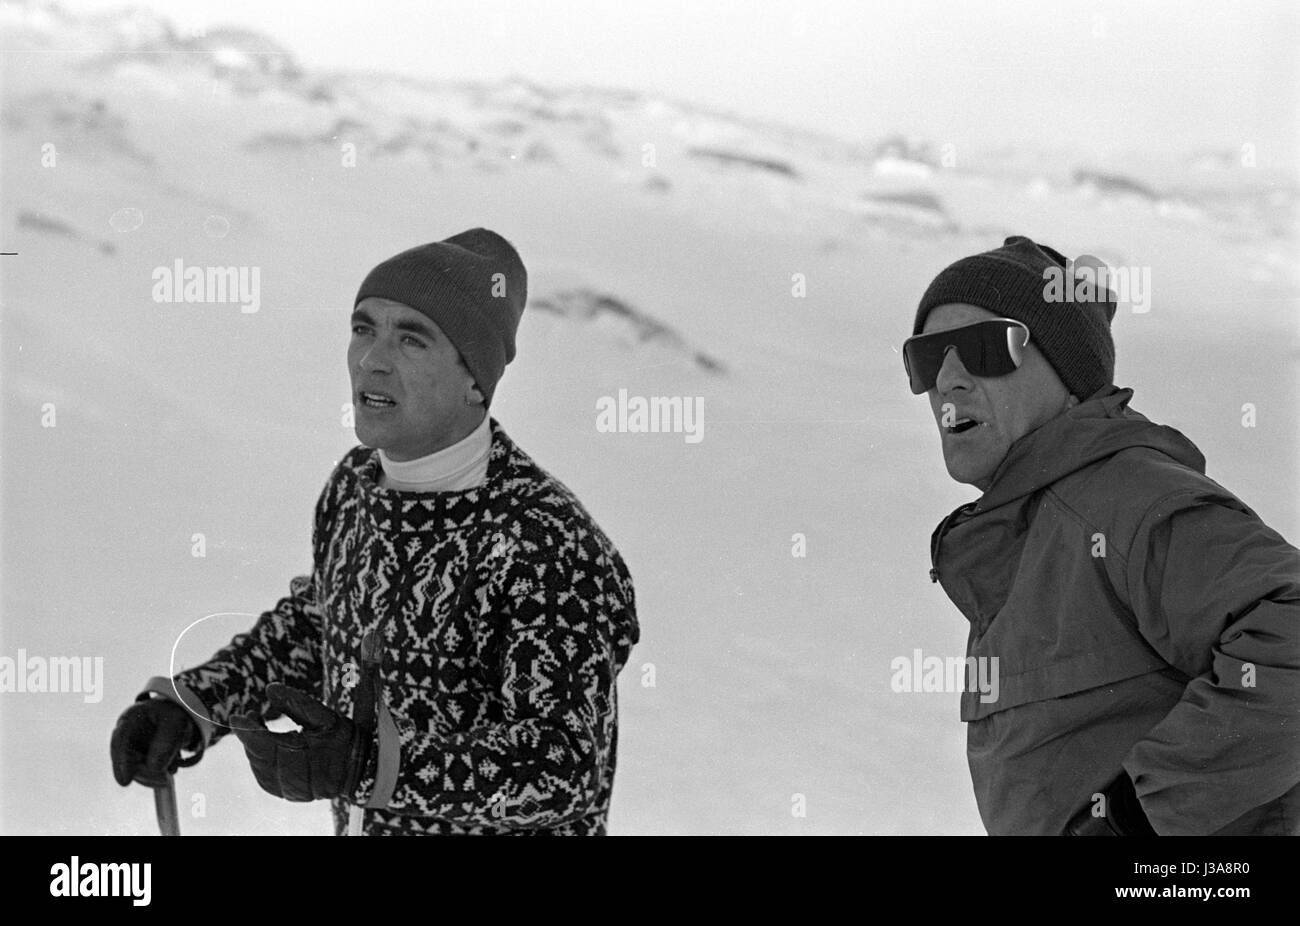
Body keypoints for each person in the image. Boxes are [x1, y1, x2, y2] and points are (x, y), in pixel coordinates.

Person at [111, 228, 639, 835]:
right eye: (364, 329)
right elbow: (319, 630)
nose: (371, 359)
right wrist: (196, 706)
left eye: (411, 339)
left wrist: (373, 764)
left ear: (476, 382)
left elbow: (561, 764)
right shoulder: (354, 488)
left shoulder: (543, 543)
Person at [904, 235, 1300, 835]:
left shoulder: (1124, 500)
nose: (950, 379)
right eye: (928, 358)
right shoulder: (1024, 540)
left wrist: (1135, 817)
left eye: (986, 348)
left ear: (1069, 374)